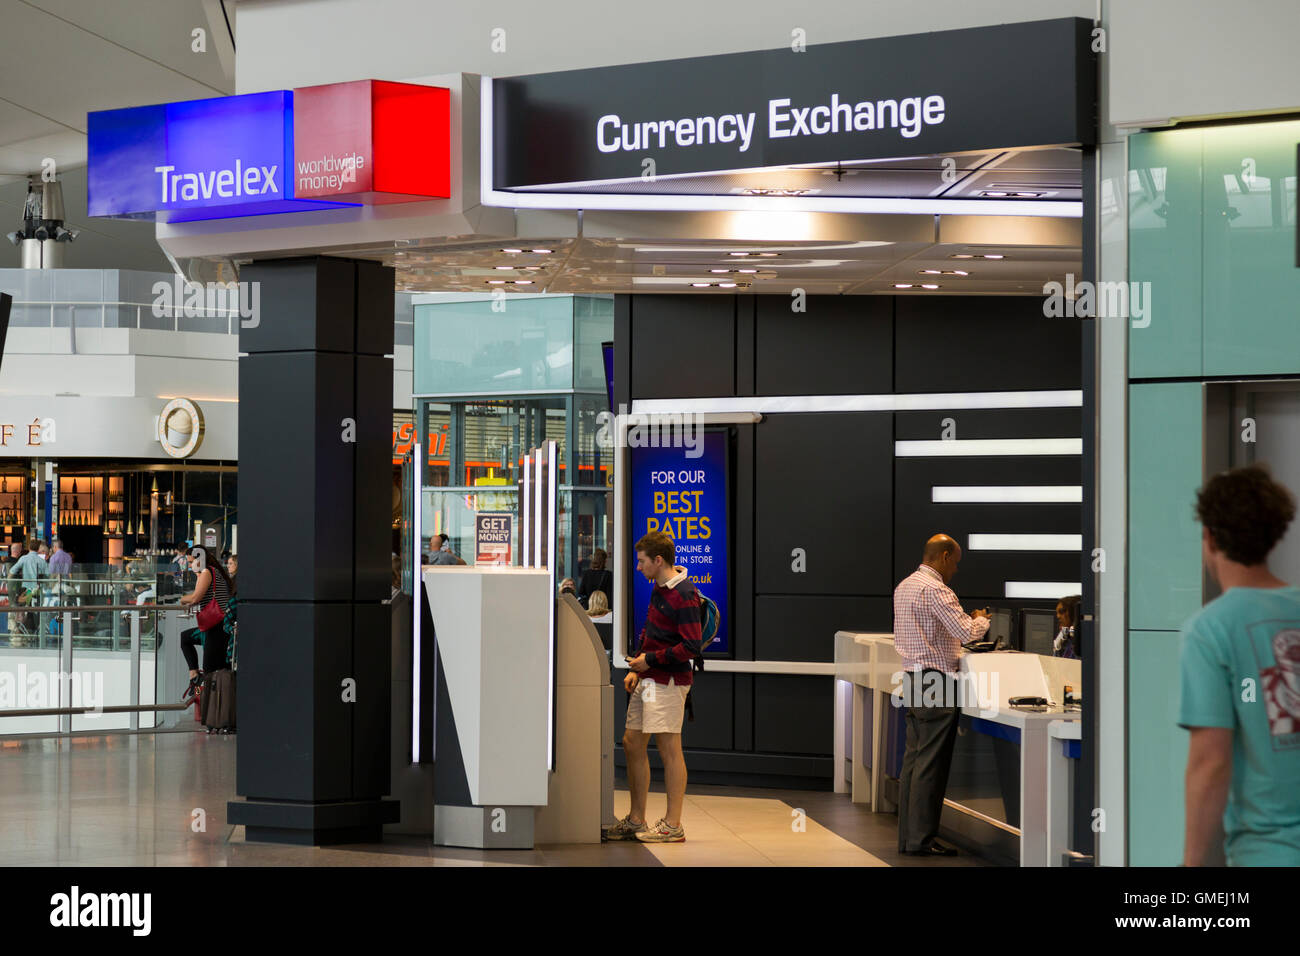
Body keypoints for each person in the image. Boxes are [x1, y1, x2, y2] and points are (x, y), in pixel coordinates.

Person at [1180, 464, 1300, 866]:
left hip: (1270, 851)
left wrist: (1192, 862)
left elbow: (1211, 760)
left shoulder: (1210, 629)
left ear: (1210, 537)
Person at [892, 533, 990, 857]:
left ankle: (908, 838)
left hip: (912, 678)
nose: (956, 570)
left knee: (914, 762)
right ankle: (921, 840)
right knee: (931, 766)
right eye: (956, 563)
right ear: (945, 556)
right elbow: (965, 631)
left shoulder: (904, 586)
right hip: (937, 681)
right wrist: (981, 620)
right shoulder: (937, 590)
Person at [605, 531, 702, 844]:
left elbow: (691, 646)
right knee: (632, 741)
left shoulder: (685, 593)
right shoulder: (660, 588)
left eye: (642, 561)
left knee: (669, 748)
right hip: (649, 678)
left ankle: (673, 825)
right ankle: (636, 819)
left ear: (658, 561)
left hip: (670, 682)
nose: (638, 567)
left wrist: (651, 660)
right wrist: (639, 664)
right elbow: (652, 628)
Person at [177, 546, 236, 704]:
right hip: (218, 626)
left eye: (191, 562)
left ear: (199, 559)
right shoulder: (212, 572)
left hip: (215, 628)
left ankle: (205, 704)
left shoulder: (208, 572)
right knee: (186, 638)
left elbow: (196, 597)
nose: (189, 565)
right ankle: (195, 679)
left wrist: (183, 599)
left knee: (210, 671)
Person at [1052, 594, 1081, 659]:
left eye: (1061, 612)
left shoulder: (1082, 643)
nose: (1058, 616)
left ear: (1074, 612)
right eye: (1057, 613)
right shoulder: (1065, 637)